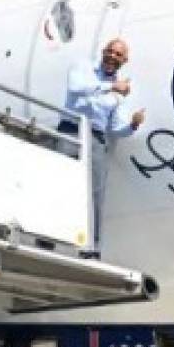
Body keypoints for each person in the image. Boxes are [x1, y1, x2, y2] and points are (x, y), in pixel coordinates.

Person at [60, 39, 146, 254]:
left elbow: (116, 128)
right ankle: (46, 238)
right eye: (110, 51)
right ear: (103, 52)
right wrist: (110, 86)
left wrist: (133, 125)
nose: (112, 56)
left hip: (96, 137)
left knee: (96, 193)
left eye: (118, 55)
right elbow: (75, 88)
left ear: (124, 61)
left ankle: (92, 247)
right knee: (58, 181)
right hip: (70, 129)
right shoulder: (84, 68)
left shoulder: (120, 94)